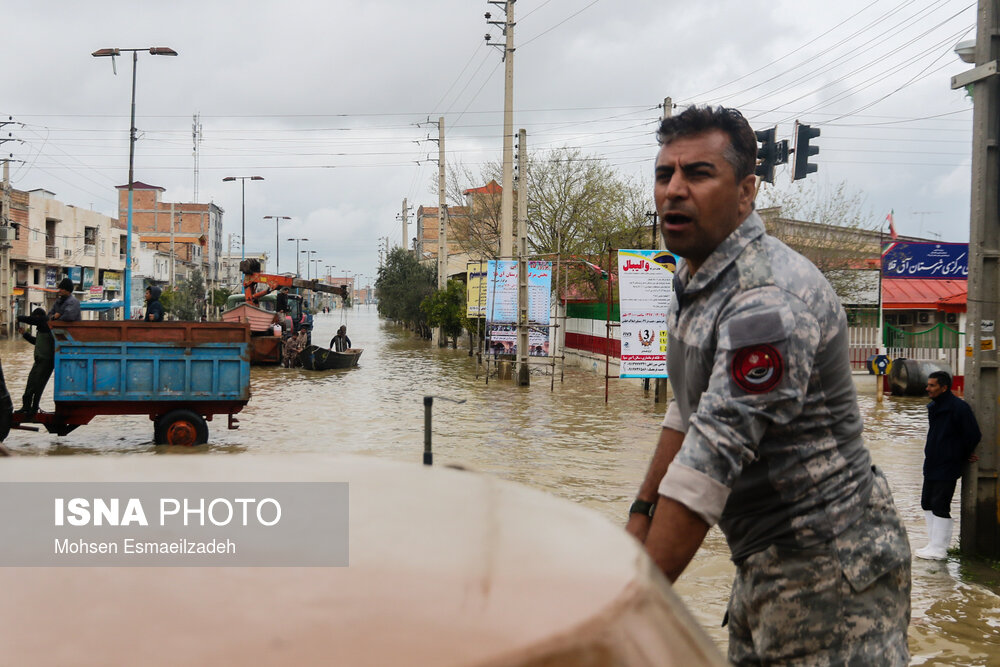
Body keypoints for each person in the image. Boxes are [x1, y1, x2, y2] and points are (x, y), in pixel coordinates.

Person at [626, 106, 910, 665]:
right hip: (761, 561)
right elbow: (685, 416)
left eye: (699, 173)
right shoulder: (694, 279)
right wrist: (638, 523)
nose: (674, 191)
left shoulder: (768, 301)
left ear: (747, 190)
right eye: (665, 174)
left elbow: (710, 458)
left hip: (831, 572)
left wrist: (626, 605)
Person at [916, 371, 980, 560]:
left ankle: (940, 549)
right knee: (926, 502)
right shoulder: (934, 407)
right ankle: (932, 544)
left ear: (944, 388)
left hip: (948, 464)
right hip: (932, 462)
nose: (928, 388)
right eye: (928, 385)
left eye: (932, 385)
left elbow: (973, 435)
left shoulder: (959, 408)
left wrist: (963, 454)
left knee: (940, 504)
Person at [16, 308, 54, 418]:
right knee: (34, 385)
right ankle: (29, 407)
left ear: (38, 317)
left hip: (45, 361)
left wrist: (19, 318)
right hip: (41, 361)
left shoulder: (45, 322)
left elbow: (32, 320)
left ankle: (31, 407)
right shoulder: (43, 329)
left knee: (35, 385)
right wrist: (25, 334)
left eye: (34, 317)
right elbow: (36, 342)